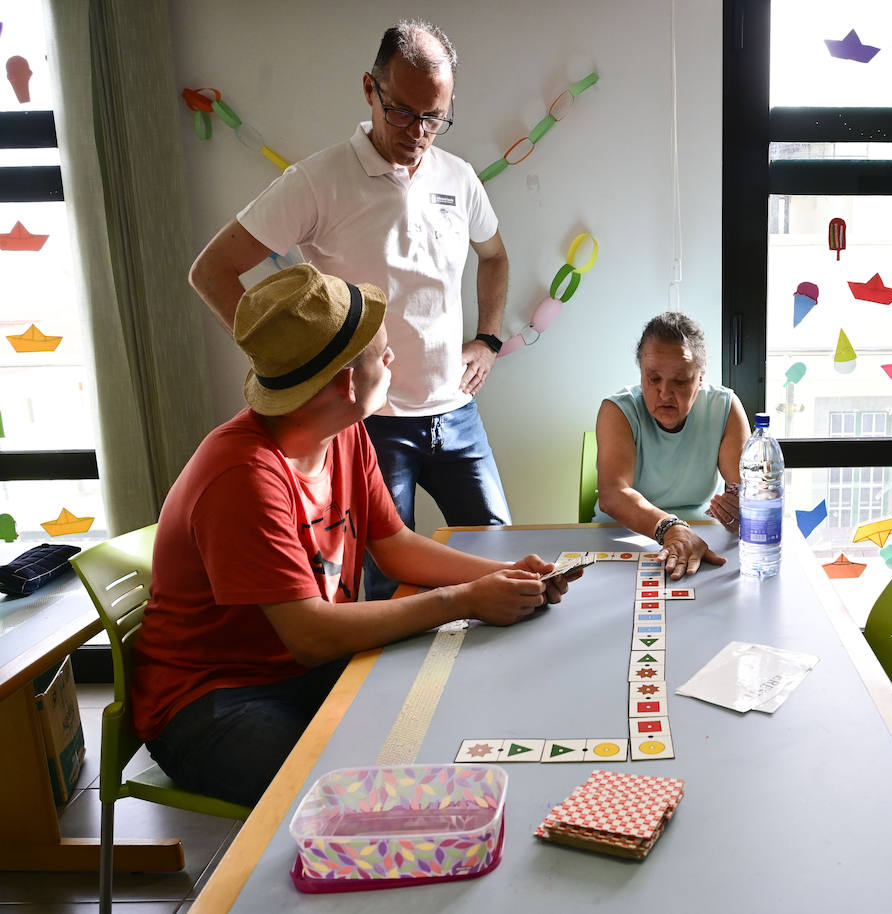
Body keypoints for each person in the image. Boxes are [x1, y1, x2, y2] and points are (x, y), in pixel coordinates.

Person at [133, 265, 576, 807]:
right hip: (212, 702)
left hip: (301, 669)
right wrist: (462, 600)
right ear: (348, 381)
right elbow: (311, 634)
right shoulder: (243, 476)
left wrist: (505, 576)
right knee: (364, 798)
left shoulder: (342, 432)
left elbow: (396, 547)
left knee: (441, 714)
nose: (390, 361)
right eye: (382, 353)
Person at [189, 19, 510, 601]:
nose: (418, 131)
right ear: (370, 89)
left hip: (457, 413)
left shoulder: (458, 178)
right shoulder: (316, 181)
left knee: (499, 558)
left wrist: (487, 339)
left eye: (434, 116)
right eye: (401, 112)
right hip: (368, 424)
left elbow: (495, 255)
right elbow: (210, 271)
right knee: (392, 586)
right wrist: (289, 367)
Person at [595, 312, 751, 580]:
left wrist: (742, 511)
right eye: (653, 379)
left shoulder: (724, 407)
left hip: (701, 537)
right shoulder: (617, 410)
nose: (664, 393)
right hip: (621, 538)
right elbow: (613, 494)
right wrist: (670, 528)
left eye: (679, 381)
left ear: (700, 377)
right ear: (641, 373)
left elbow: (747, 489)